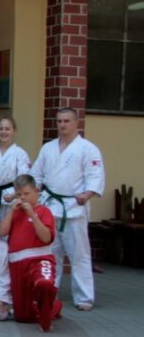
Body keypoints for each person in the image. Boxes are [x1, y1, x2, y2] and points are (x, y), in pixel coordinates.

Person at [30, 107, 104, 310]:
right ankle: (49, 292)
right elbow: (36, 175)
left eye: (67, 121)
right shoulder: (48, 148)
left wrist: (87, 194)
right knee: (50, 253)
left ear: (76, 122)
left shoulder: (88, 149)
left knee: (79, 255)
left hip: (74, 208)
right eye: (59, 121)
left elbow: (95, 176)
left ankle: (84, 298)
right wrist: (33, 194)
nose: (62, 125)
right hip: (50, 206)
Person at [0, 175, 62, 330]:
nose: (22, 198)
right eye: (19, 194)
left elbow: (46, 238)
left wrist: (33, 216)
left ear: (36, 191)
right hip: (17, 263)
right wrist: (11, 212)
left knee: (44, 283)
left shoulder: (44, 211)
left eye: (26, 194)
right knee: (22, 316)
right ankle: (54, 306)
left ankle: (46, 321)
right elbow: (1, 232)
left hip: (39, 259)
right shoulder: (15, 212)